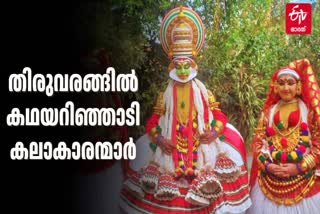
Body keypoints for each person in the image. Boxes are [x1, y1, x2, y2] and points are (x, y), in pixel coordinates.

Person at [120, 6, 251, 213]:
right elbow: (153, 122)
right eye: (178, 66)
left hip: (201, 146)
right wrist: (160, 140)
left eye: (185, 66)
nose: (182, 71)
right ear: (172, 67)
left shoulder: (203, 91)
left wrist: (214, 132)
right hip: (170, 147)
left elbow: (218, 116)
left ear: (193, 65)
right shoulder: (165, 94)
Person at [247, 58, 320, 214]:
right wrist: (268, 166)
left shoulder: (310, 112)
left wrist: (299, 167)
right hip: (269, 181)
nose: (286, 88)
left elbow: (318, 145)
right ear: (276, 87)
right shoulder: (268, 112)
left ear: (299, 86)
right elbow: (257, 143)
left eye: (290, 83)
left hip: (304, 181)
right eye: (281, 83)